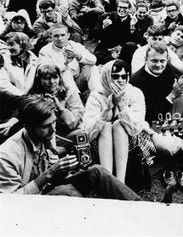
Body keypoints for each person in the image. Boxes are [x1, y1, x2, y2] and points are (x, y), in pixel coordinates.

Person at [0, 96, 141, 200]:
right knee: (66, 190)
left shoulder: (45, 135)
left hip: (48, 189)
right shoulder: (7, 155)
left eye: (54, 123)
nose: (53, 130)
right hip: (30, 204)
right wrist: (49, 174)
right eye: (46, 126)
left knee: (97, 171)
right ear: (29, 127)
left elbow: (52, 173)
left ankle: (140, 209)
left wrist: (63, 169)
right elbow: (12, 202)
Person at [81, 60, 148, 182]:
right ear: (107, 76)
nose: (120, 80)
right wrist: (106, 110)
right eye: (115, 76)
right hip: (100, 142)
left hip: (131, 142)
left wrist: (122, 106)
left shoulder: (134, 92)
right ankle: (109, 180)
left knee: (118, 125)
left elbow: (136, 128)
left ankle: (119, 182)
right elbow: (88, 132)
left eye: (124, 76)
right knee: (106, 126)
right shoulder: (96, 95)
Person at [130, 42, 183, 123]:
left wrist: (180, 87)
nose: (158, 65)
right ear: (146, 60)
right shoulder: (137, 81)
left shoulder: (167, 68)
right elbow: (149, 116)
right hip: (151, 121)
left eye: (162, 61)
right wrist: (172, 95)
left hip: (168, 110)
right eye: (154, 61)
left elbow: (172, 92)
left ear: (167, 60)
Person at [38, 24, 100, 93]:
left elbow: (93, 60)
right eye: (56, 36)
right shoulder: (45, 51)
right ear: (51, 37)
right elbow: (46, 72)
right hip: (59, 84)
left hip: (77, 80)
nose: (60, 38)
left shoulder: (75, 45)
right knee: (66, 73)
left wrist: (78, 56)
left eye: (62, 35)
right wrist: (65, 64)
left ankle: (97, 96)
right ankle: (75, 99)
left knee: (92, 68)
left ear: (68, 35)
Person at [29, 63, 84, 138]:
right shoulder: (33, 95)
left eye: (55, 77)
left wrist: (61, 110)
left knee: (81, 134)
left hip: (66, 134)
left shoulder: (69, 91)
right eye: (47, 78)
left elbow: (78, 121)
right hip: (45, 135)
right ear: (39, 79)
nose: (52, 82)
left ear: (60, 78)